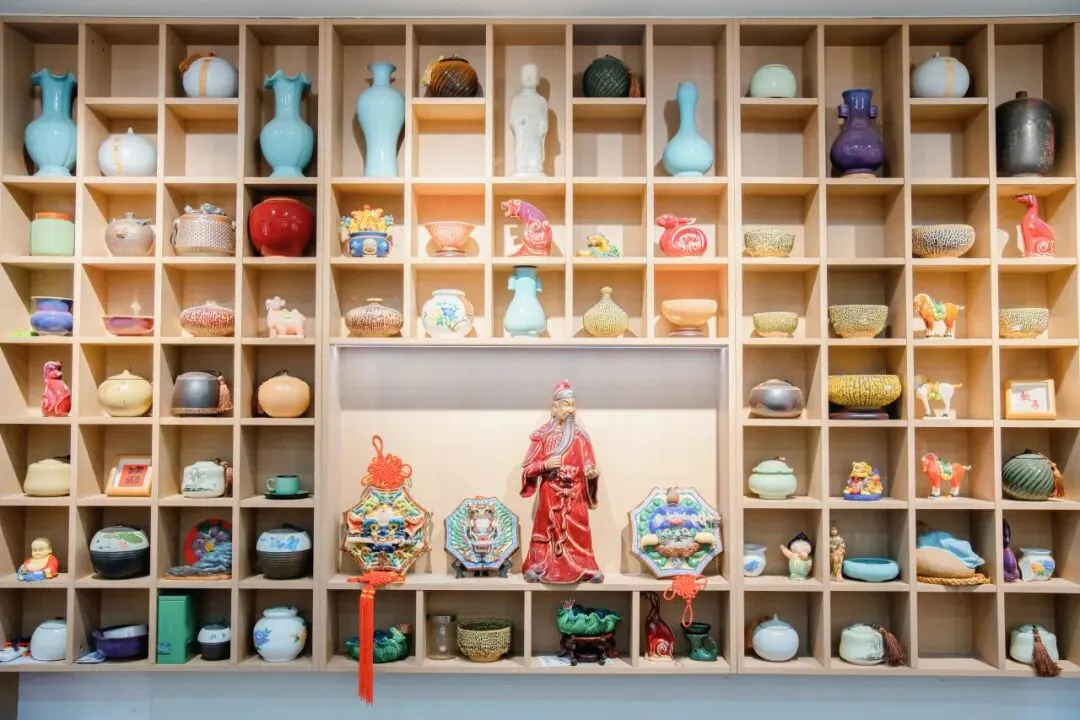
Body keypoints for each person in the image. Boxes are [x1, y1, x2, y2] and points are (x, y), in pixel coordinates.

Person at [519, 380, 603, 584]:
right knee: (546, 529)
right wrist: (545, 465)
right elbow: (528, 470)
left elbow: (590, 466)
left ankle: (585, 566)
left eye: (573, 405)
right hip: (550, 493)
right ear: (555, 407)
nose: (571, 410)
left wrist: (592, 475)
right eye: (566, 405)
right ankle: (539, 565)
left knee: (579, 532)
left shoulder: (582, 437)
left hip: (576, 495)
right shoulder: (542, 436)